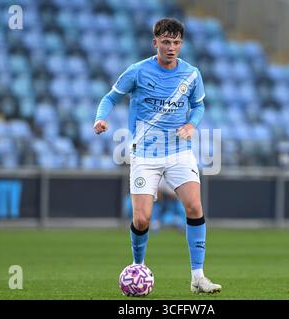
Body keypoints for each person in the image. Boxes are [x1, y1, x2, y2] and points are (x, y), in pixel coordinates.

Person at [94, 18, 221, 294]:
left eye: (176, 42)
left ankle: (198, 277)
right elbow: (110, 98)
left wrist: (191, 125)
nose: (171, 47)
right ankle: (137, 267)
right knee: (142, 220)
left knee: (194, 207)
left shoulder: (191, 74)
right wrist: (101, 119)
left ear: (181, 44)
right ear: (155, 43)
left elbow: (198, 106)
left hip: (179, 152)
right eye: (166, 42)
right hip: (146, 155)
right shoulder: (138, 71)